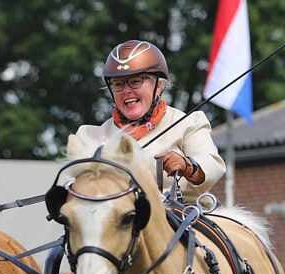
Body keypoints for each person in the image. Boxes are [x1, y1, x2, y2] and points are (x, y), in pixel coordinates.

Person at [74, 40, 226, 202]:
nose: (126, 91)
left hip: (184, 217)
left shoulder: (189, 123)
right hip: (117, 223)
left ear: (159, 86)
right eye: (118, 84)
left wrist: (188, 166)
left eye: (136, 81)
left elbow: (212, 164)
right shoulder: (90, 137)